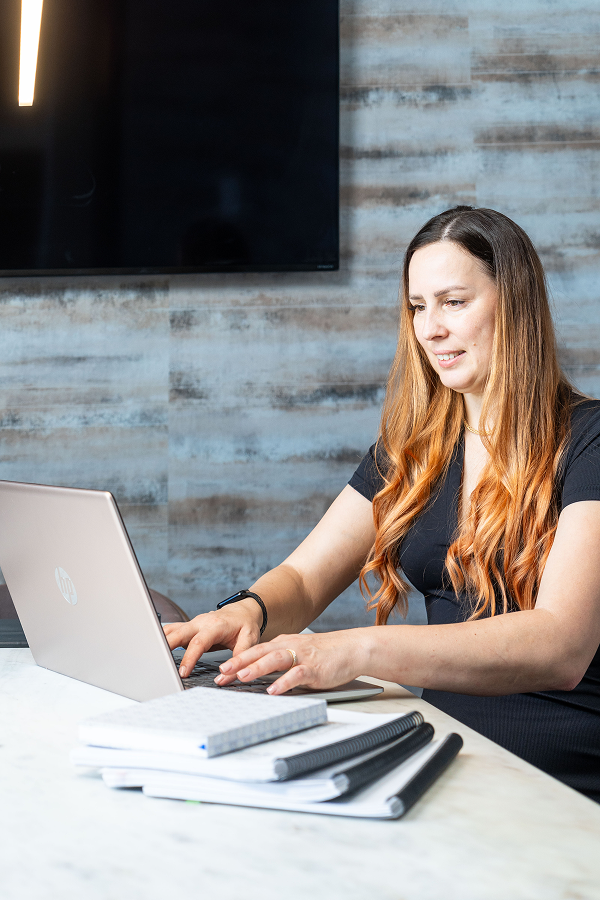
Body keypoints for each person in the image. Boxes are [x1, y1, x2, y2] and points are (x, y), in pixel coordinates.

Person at [165, 206, 600, 801]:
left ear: (516, 304)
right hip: (442, 754)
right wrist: (247, 611)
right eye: (418, 307)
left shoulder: (590, 441)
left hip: (559, 776)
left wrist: (354, 648)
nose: (430, 329)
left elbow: (561, 645)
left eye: (454, 302)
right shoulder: (412, 451)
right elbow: (303, 577)